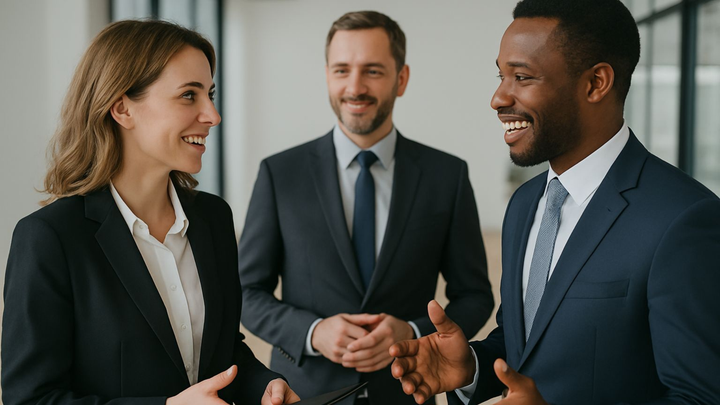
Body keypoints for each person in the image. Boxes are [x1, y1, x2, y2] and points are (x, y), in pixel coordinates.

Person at [389, 0, 720, 404]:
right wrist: (472, 367)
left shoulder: (683, 219)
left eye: (522, 76)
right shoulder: (525, 204)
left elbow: (701, 397)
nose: (497, 97)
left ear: (596, 83)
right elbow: (526, 345)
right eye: (501, 75)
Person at [2, 19, 300, 405]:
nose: (212, 115)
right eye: (189, 96)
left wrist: (264, 385)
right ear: (123, 108)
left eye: (210, 94)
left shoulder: (213, 218)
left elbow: (222, 353)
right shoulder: (49, 238)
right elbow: (31, 399)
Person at [237, 10, 494, 405]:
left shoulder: (448, 176)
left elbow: (475, 296)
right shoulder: (279, 173)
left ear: (401, 78)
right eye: (342, 70)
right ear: (327, 75)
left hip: (408, 391)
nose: (354, 87)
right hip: (301, 395)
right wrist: (312, 331)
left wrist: (412, 331)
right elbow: (247, 291)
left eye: (373, 71)